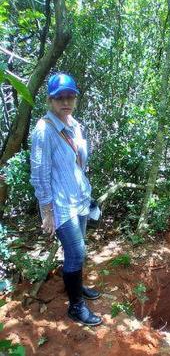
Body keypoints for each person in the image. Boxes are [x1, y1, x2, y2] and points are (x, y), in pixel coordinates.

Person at [30, 73, 102, 326]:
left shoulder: (74, 124)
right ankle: (75, 307)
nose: (66, 102)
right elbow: (39, 175)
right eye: (60, 98)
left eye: (70, 96)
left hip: (79, 197)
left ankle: (77, 286)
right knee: (76, 251)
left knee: (78, 248)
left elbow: (79, 162)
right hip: (61, 205)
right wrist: (46, 212)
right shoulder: (44, 130)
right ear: (50, 101)